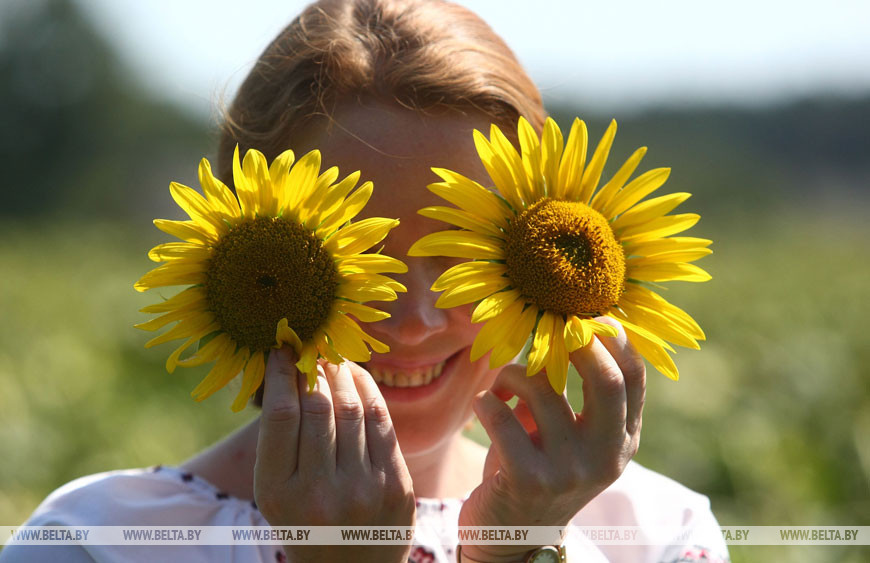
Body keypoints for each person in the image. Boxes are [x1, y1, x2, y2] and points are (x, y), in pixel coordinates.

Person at [3, 0, 730, 561]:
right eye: (355, 261)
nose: (414, 319)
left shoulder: (653, 534)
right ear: (242, 258)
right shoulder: (98, 542)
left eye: (463, 255)